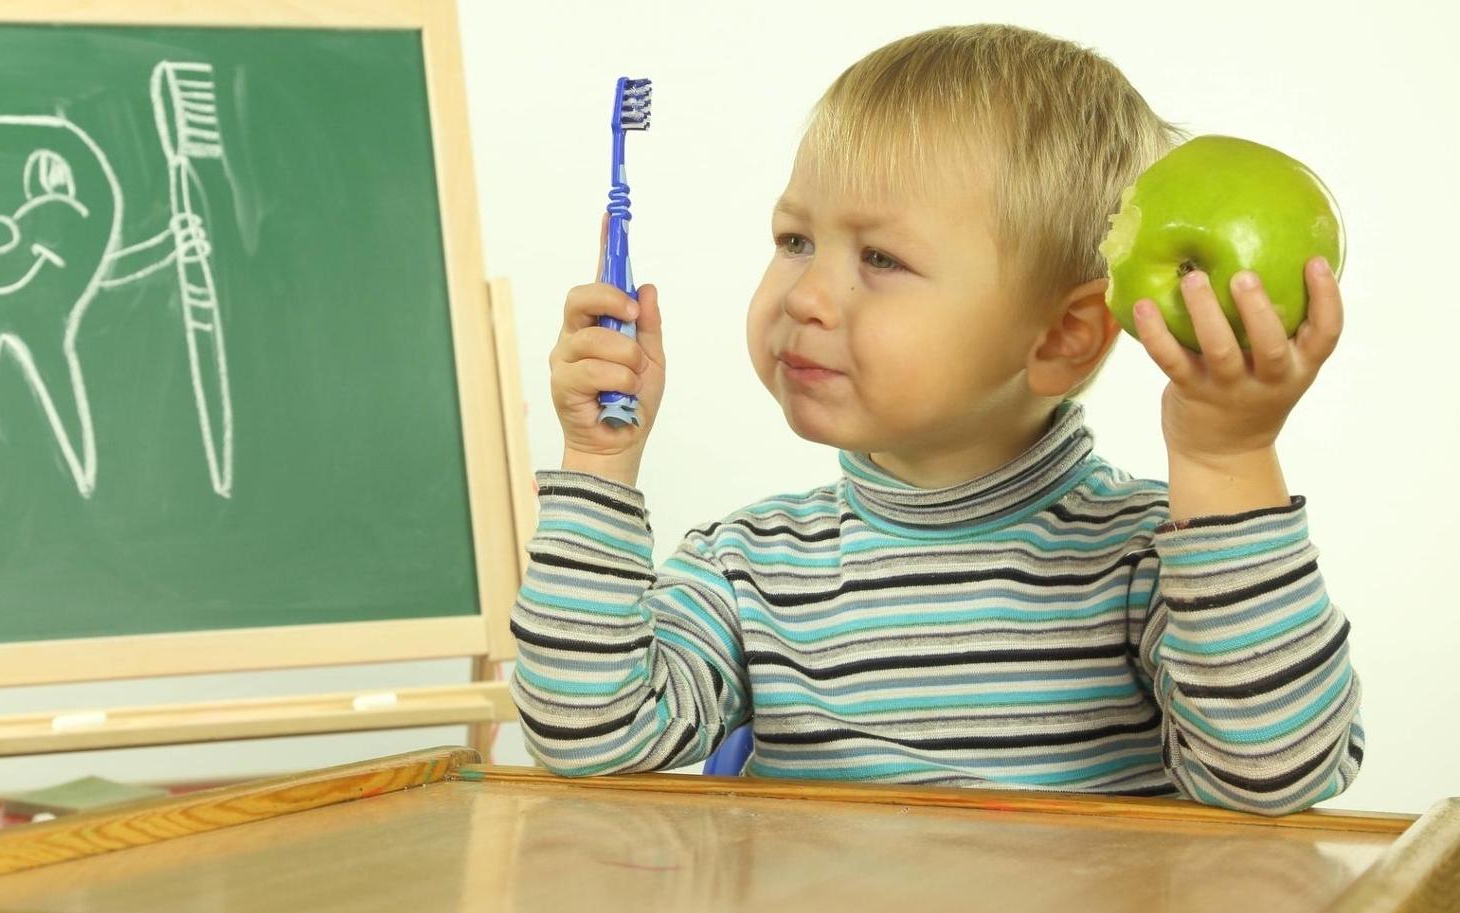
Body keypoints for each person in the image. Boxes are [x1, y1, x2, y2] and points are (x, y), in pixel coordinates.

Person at [510, 23, 1360, 816]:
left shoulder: (1148, 566)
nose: (805, 296)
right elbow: (589, 736)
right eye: (795, 239)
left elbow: (1275, 772)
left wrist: (1226, 457)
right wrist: (596, 461)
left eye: (881, 258)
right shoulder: (749, 571)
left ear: (1062, 337)